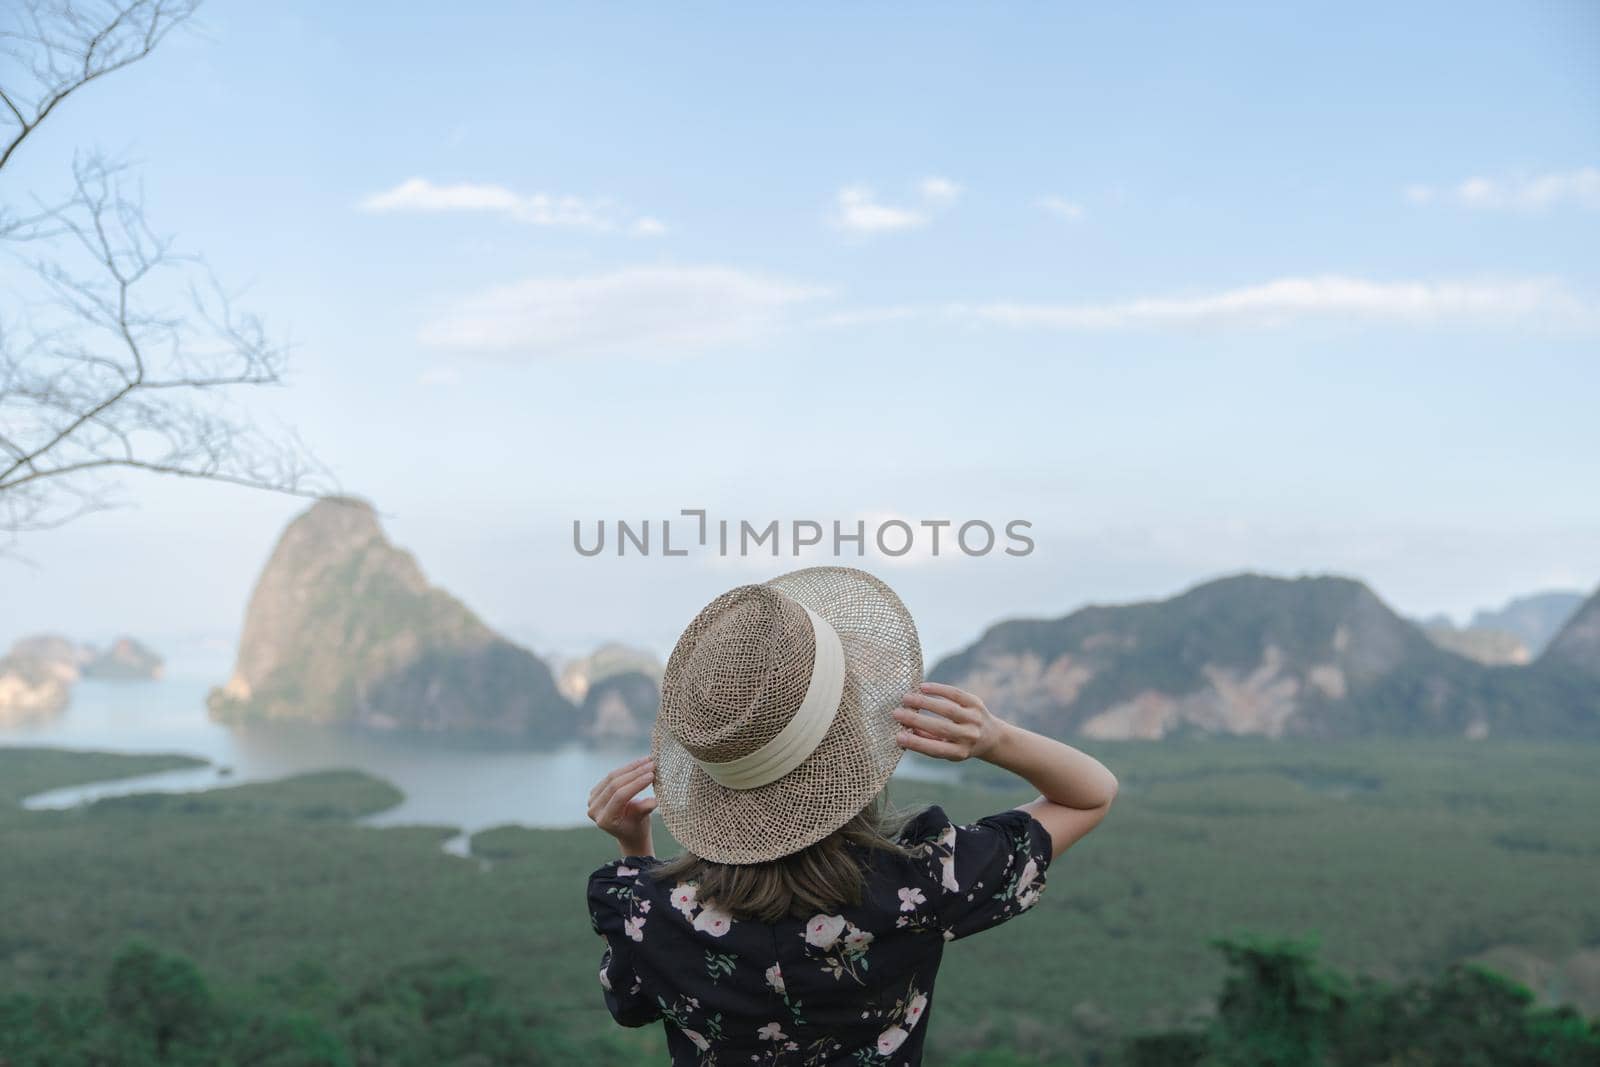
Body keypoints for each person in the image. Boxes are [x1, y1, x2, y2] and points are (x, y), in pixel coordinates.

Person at [585, 566, 1117, 1066]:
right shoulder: (923, 882)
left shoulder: (650, 914)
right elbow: (1089, 794)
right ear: (853, 751)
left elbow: (631, 1005)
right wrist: (997, 739)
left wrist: (636, 854)